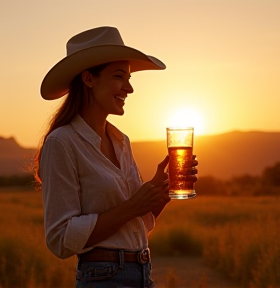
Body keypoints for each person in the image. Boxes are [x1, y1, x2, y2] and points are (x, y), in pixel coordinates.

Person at [35, 26, 198, 288]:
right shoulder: (61, 143)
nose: (129, 88)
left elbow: (135, 225)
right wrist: (133, 204)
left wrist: (162, 193)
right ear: (88, 79)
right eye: (120, 76)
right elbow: (60, 238)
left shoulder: (122, 142)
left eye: (129, 78)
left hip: (142, 272)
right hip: (103, 278)